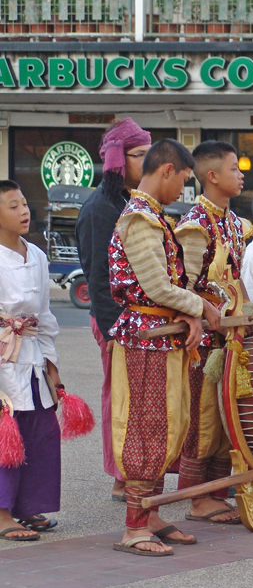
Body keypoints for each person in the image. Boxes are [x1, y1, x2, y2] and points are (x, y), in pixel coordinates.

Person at [108, 139, 221, 556]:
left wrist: (190, 313)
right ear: (168, 170)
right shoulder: (139, 218)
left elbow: (165, 289)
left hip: (162, 336)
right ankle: (134, 526)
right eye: (184, 181)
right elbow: (156, 287)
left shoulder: (152, 215)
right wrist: (202, 307)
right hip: (145, 339)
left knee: (169, 422)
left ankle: (151, 513)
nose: (183, 191)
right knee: (146, 427)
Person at [174, 141, 253, 524]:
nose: (241, 175)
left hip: (231, 337)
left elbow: (236, 279)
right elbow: (183, 287)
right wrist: (207, 311)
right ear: (212, 177)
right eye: (234, 169)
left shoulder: (235, 223)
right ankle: (196, 499)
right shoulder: (194, 224)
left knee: (226, 418)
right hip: (205, 342)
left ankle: (217, 495)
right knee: (204, 420)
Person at [75, 118, 151, 503]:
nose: (149, 163)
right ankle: (121, 474)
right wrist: (114, 330)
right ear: (120, 160)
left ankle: (137, 467)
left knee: (139, 399)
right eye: (142, 156)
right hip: (115, 321)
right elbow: (98, 278)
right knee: (119, 397)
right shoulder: (99, 208)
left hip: (137, 320)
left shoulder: (129, 200)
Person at [0, 180, 63, 541]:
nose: (23, 211)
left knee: (39, 432)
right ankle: (2, 511)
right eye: (13, 206)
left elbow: (45, 316)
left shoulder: (37, 255)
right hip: (4, 361)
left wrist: (52, 365)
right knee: (6, 436)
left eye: (24, 203)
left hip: (33, 359)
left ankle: (26, 506)